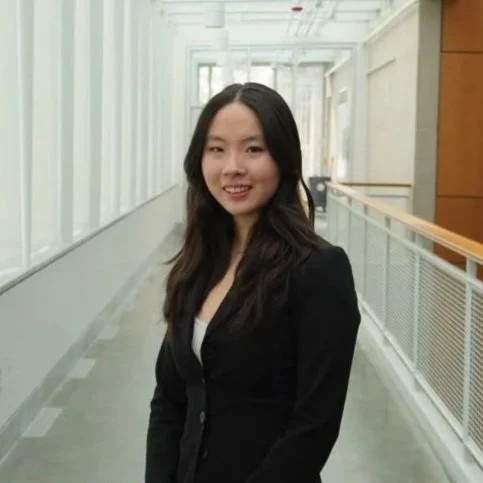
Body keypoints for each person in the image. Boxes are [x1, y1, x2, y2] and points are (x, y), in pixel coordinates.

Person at [145, 82, 361, 483]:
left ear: (283, 158)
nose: (232, 167)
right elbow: (170, 397)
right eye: (216, 149)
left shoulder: (319, 270)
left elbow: (314, 426)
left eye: (253, 149)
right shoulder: (199, 261)